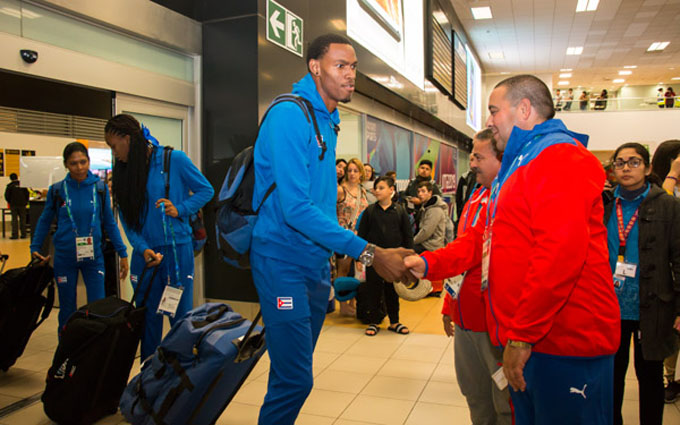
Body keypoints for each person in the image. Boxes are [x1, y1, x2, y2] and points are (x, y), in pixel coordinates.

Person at [407, 74, 620, 425]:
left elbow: (559, 252)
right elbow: (484, 240)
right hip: (535, 338)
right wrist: (428, 262)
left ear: (524, 109)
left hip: (564, 340)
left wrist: (523, 334)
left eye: (494, 111)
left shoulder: (558, 157)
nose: (489, 121)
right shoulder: (521, 164)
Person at [249, 33, 415, 425]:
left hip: (313, 264)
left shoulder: (329, 118)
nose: (350, 74)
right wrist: (369, 252)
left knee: (292, 370)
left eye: (353, 66)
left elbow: (321, 202)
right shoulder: (290, 114)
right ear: (314, 67)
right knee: (295, 380)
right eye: (340, 65)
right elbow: (296, 209)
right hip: (280, 261)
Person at [104, 114, 214, 359]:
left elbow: (206, 190)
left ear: (128, 138)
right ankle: (148, 378)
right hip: (146, 256)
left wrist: (181, 208)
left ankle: (178, 378)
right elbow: (127, 221)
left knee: (180, 318)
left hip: (177, 252)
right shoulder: (122, 173)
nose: (114, 153)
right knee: (148, 320)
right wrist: (142, 248)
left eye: (114, 146)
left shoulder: (173, 159)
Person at [605, 142, 680, 425]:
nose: (626, 168)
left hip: (652, 305)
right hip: (611, 307)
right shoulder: (606, 203)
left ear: (648, 168)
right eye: (620, 163)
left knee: (649, 379)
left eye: (634, 162)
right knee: (611, 378)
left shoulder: (669, 207)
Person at [441, 128, 512, 425]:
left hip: (493, 322)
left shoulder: (509, 198)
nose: (471, 163)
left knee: (504, 401)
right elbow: (460, 253)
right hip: (465, 316)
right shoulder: (475, 195)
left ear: (500, 159)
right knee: (474, 393)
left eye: (478, 157)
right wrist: (449, 305)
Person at [31, 142, 129, 332]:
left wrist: (122, 252)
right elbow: (44, 221)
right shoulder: (57, 190)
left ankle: (93, 350)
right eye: (74, 163)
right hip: (65, 257)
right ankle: (67, 353)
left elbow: (109, 222)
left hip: (94, 258)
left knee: (97, 307)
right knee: (67, 309)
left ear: (89, 161)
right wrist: (35, 247)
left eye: (83, 162)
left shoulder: (99, 189)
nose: (79, 167)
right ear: (66, 164)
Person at [357, 176, 413, 336]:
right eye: (376, 188)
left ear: (391, 190)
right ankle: (374, 321)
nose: (377, 191)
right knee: (373, 289)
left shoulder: (400, 211)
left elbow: (407, 236)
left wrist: (408, 257)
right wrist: (363, 259)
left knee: (392, 290)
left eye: (381, 188)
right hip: (374, 259)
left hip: (394, 260)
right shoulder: (369, 211)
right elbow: (362, 237)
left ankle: (394, 321)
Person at [336, 158, 369, 315]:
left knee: (360, 271)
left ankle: (353, 302)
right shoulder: (341, 190)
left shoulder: (363, 191)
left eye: (356, 170)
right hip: (342, 236)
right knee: (343, 270)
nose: (352, 174)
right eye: (349, 170)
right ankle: (342, 306)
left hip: (359, 237)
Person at [413, 181, 447, 254]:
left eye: (423, 191)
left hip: (431, 246)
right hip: (425, 243)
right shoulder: (426, 207)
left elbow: (426, 232)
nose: (420, 194)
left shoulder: (435, 210)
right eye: (418, 192)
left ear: (430, 193)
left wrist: (412, 241)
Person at [4, 173, 29, 239]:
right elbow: (27, 194)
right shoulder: (22, 185)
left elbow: (6, 196)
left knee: (14, 220)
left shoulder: (10, 186)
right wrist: (25, 202)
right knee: (23, 220)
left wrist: (10, 202)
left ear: (10, 178)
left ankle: (15, 235)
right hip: (22, 205)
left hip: (13, 205)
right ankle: (23, 234)